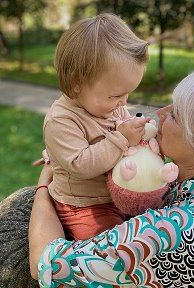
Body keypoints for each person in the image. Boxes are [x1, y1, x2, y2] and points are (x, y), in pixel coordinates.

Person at [29, 69, 194, 287]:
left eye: (175, 115)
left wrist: (45, 184)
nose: (160, 113)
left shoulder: (168, 230)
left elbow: (46, 264)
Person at [39, 13, 149, 241]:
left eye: (128, 94)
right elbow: (81, 165)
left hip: (116, 194)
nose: (124, 102)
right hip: (84, 206)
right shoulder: (61, 120)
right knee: (114, 247)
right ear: (76, 83)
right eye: (116, 95)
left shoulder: (110, 106)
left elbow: (126, 130)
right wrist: (122, 139)